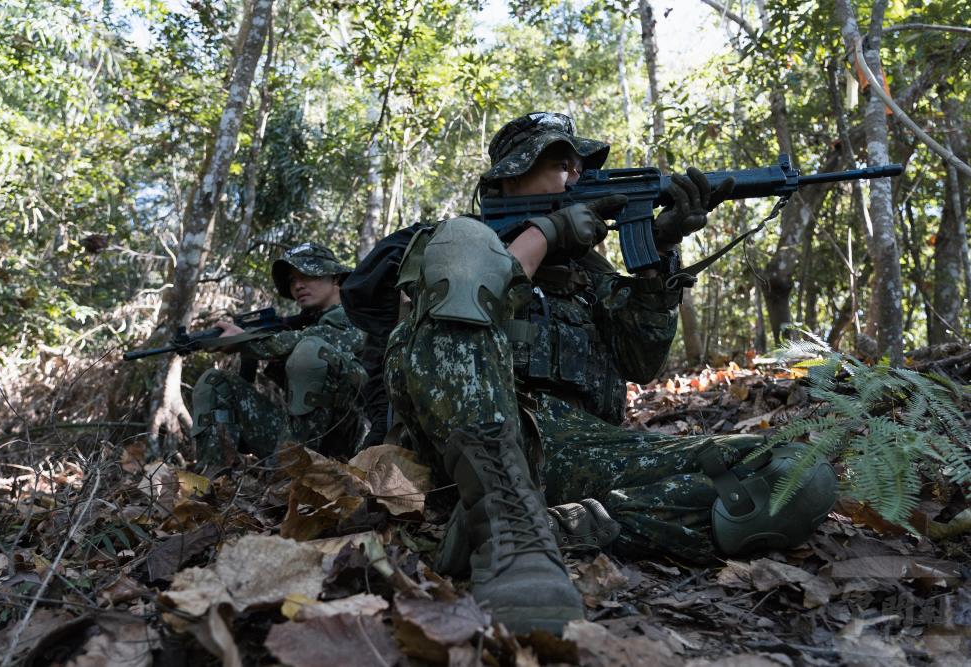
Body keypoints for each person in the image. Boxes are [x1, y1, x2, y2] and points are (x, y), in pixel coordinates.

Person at [342, 112, 836, 635]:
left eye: (581, 166)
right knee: (465, 241)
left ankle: (555, 527)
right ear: (509, 177)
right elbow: (414, 327)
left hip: (580, 453)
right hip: (464, 449)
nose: (575, 175)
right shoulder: (447, 244)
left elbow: (641, 362)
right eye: (560, 163)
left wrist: (657, 255)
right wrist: (545, 233)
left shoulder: (588, 278)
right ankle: (507, 528)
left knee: (794, 474)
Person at [191, 243, 367, 470]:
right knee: (214, 382)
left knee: (310, 349)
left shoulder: (356, 314)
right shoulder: (304, 324)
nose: (298, 285)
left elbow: (314, 341)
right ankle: (212, 478)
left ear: (335, 278)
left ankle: (289, 474)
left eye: (307, 274)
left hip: (351, 441)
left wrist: (245, 341)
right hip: (295, 439)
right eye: (292, 280)